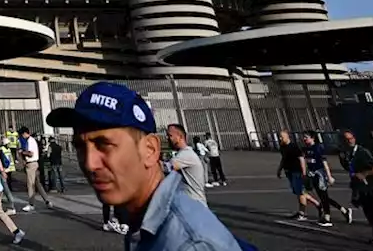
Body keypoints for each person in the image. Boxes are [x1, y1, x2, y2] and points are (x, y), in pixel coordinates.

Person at [46, 82, 241, 249]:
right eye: (80, 146)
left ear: (150, 150)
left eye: (104, 144)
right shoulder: (146, 220)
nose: (89, 163)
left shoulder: (188, 244)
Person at [337, 129, 373, 246]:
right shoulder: (347, 153)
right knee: (369, 212)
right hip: (360, 186)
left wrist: (364, 173)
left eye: (351, 138)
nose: (349, 141)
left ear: (354, 138)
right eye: (346, 139)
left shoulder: (362, 151)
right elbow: (348, 167)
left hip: (369, 185)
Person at [300, 130, 351, 227]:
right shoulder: (306, 149)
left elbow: (324, 162)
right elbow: (308, 162)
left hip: (320, 174)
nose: (304, 139)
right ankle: (344, 210)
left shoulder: (318, 148)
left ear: (312, 138)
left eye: (306, 137)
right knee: (323, 197)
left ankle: (327, 217)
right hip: (312, 174)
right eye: (304, 137)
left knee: (324, 196)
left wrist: (329, 176)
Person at [276, 130, 319, 221]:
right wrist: (279, 169)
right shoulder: (282, 147)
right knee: (298, 191)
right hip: (289, 171)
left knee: (300, 193)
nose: (280, 138)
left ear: (287, 137)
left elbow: (301, 159)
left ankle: (302, 213)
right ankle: (318, 205)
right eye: (279, 137)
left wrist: (303, 173)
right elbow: (283, 159)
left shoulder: (294, 147)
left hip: (297, 171)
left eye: (282, 137)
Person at [165, 124, 207, 206]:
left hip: (195, 206)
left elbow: (166, 167)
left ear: (180, 136)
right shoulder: (182, 153)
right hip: (191, 204)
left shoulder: (186, 154)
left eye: (170, 135)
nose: (167, 138)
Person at [16, 127, 51, 212]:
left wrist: (22, 152)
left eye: (21, 135)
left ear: (25, 133)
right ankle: (47, 201)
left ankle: (31, 204)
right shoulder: (31, 140)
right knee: (37, 184)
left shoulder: (30, 141)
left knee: (30, 185)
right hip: (33, 164)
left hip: (31, 164)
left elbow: (31, 153)